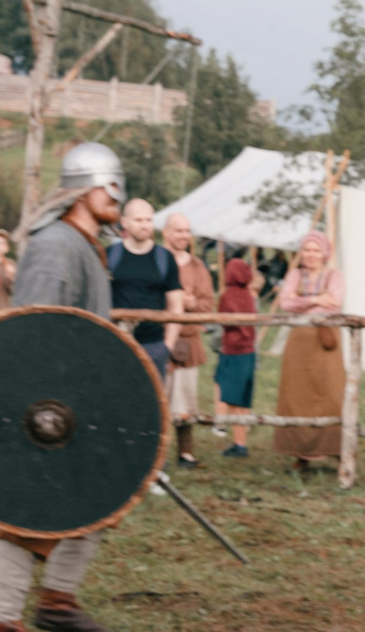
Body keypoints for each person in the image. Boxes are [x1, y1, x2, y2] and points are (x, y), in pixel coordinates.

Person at [0, 142, 130, 632]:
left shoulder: (85, 244)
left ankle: (57, 600)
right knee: (30, 516)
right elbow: (35, 332)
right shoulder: (58, 246)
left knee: (101, 494)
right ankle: (0, 630)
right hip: (48, 409)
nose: (118, 197)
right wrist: (43, 414)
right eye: (112, 187)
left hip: (79, 402)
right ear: (87, 189)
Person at [272, 229, 346, 472]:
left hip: (325, 343)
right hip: (299, 344)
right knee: (298, 395)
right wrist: (315, 300)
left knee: (330, 393)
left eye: (316, 250)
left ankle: (335, 450)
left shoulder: (335, 276)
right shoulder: (295, 275)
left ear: (324, 253)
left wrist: (304, 303)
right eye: (307, 249)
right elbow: (286, 303)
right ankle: (301, 454)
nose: (311, 254)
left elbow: (334, 304)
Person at [161, 211, 218, 467]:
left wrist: (192, 302)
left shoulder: (198, 267)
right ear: (166, 232)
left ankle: (185, 453)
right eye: (178, 230)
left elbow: (208, 305)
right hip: (157, 338)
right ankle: (154, 455)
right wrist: (172, 300)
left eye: (186, 231)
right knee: (156, 398)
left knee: (185, 400)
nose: (183, 236)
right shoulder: (157, 260)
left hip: (187, 341)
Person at [107, 198, 184, 377]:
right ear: (124, 222)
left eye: (148, 220)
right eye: (138, 220)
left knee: (152, 403)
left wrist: (167, 347)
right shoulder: (110, 255)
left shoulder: (165, 258)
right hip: (115, 342)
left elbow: (176, 306)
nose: (144, 225)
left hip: (153, 346)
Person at [212, 255, 260, 456]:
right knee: (242, 399)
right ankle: (241, 440)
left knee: (233, 399)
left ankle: (240, 444)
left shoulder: (228, 295)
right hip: (249, 351)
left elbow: (223, 319)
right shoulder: (249, 295)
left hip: (233, 352)